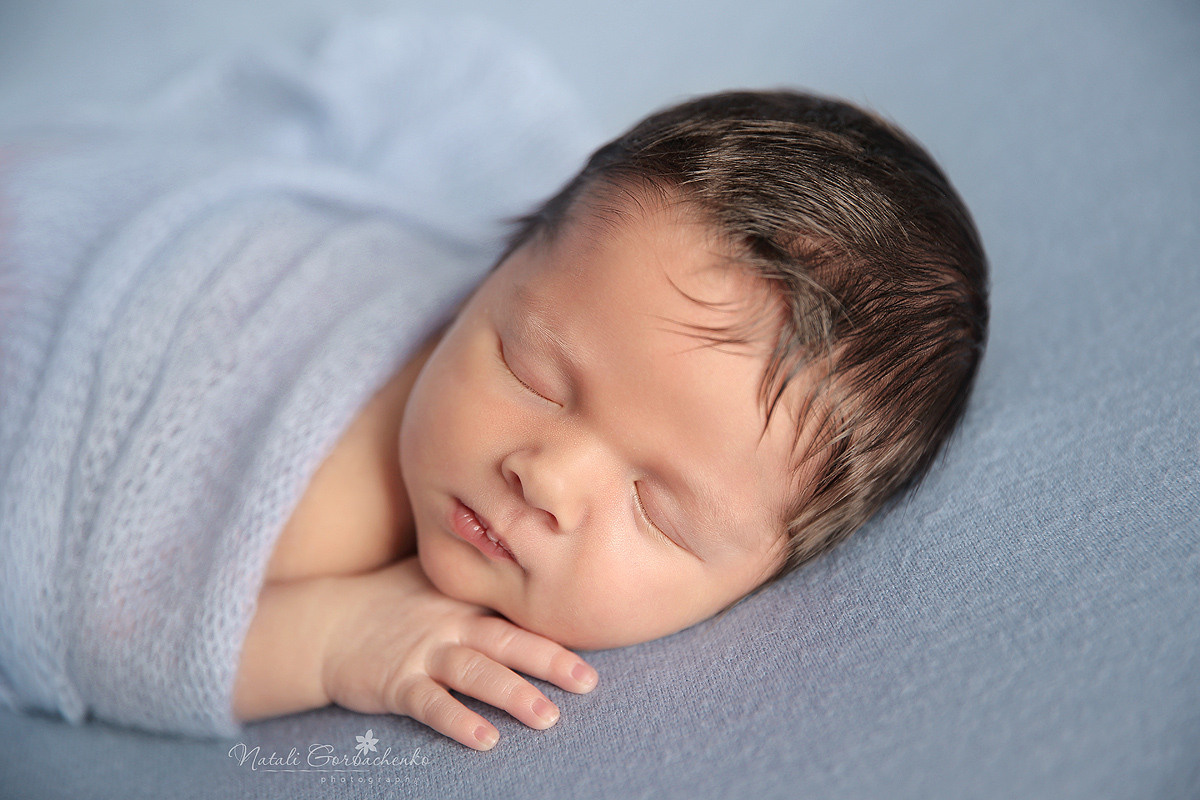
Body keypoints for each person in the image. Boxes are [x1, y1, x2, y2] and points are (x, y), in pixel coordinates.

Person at [233, 90, 989, 751]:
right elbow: (119, 635)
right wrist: (330, 639)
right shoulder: (319, 506)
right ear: (493, 275)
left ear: (768, 575)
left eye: (655, 511)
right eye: (532, 372)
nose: (546, 480)